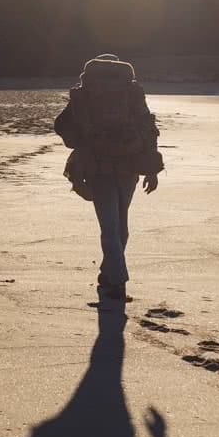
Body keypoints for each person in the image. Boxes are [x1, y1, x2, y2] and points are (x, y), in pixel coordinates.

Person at [54, 54, 163, 302]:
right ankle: (111, 277)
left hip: (96, 167)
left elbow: (62, 126)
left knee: (109, 227)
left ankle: (115, 280)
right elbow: (148, 128)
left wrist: (85, 142)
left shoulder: (86, 93)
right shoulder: (131, 91)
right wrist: (152, 169)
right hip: (129, 166)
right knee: (120, 225)